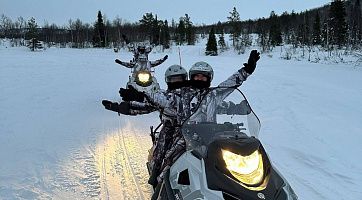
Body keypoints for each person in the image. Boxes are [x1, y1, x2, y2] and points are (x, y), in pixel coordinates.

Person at [119, 50, 260, 185]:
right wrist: (140, 96)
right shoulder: (181, 95)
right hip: (186, 137)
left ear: (209, 78)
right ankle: (161, 188)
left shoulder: (213, 95)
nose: (200, 79)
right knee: (170, 166)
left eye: (203, 76)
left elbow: (229, 85)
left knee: (229, 164)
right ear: (191, 77)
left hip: (211, 137)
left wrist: (246, 71)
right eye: (196, 76)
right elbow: (159, 99)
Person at [102, 64, 189, 187]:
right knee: (164, 157)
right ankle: (158, 181)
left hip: (192, 133)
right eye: (173, 79)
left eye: (179, 79)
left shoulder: (193, 96)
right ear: (168, 81)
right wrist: (119, 107)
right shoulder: (164, 96)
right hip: (171, 132)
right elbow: (144, 106)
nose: (177, 82)